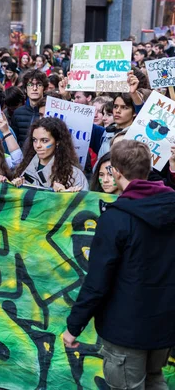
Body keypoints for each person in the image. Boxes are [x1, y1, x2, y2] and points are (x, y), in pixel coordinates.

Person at [63, 140, 175, 389]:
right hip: (164, 322)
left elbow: (97, 281)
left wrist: (73, 327)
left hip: (126, 328)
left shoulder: (116, 218)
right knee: (155, 378)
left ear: (116, 172)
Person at [13, 117, 89, 191]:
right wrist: (13, 188)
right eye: (34, 140)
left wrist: (66, 195)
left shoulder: (74, 175)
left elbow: (84, 202)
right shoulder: (22, 168)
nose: (38, 145)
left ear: (58, 142)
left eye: (44, 140)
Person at [11, 69, 48, 145]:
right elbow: (14, 140)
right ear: (25, 89)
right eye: (30, 85)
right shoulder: (17, 113)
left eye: (39, 85)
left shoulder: (48, 111)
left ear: (44, 89)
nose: (34, 88)